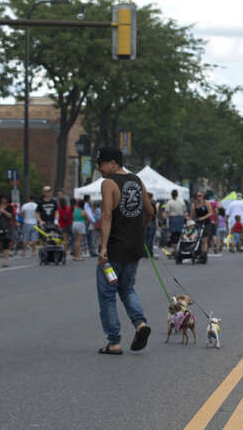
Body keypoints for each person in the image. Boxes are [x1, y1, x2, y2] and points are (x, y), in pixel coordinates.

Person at [95, 147, 153, 355]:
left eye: (100, 164)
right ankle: (140, 324)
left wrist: (103, 247)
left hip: (114, 248)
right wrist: (139, 229)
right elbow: (150, 212)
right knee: (127, 288)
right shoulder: (137, 181)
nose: (99, 169)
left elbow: (107, 216)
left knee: (108, 294)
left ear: (112, 163)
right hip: (134, 246)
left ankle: (114, 341)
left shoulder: (108, 183)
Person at [190, 191, 214, 256]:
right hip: (198, 223)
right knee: (198, 239)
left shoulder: (206, 203)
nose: (199, 197)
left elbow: (211, 212)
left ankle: (204, 254)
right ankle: (199, 252)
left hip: (206, 223)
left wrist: (203, 218)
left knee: (204, 240)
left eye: (200, 196)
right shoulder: (194, 204)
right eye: (198, 196)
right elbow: (192, 216)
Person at [144, 192, 158, 258]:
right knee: (151, 239)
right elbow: (155, 214)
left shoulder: (143, 203)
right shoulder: (152, 203)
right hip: (151, 222)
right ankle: (150, 253)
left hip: (144, 222)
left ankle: (145, 253)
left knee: (145, 239)